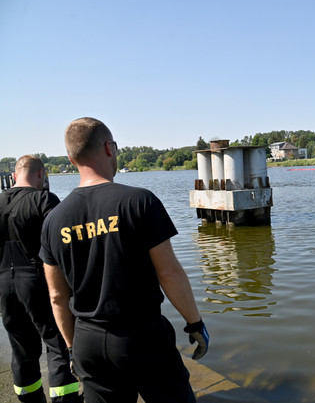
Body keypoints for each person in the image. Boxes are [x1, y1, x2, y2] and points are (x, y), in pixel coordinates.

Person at [39, 117, 210, 403]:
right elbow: (169, 273)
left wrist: (73, 348)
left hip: (88, 341)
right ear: (109, 148)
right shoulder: (139, 202)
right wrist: (194, 323)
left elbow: (57, 297)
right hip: (141, 336)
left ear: (71, 158)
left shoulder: (53, 220)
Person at [0, 155, 81, 403]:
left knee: (20, 346)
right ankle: (65, 398)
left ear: (14, 175)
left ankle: (30, 398)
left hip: (3, 283)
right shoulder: (44, 200)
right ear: (41, 174)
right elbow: (63, 245)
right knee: (56, 342)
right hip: (37, 280)